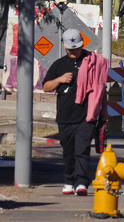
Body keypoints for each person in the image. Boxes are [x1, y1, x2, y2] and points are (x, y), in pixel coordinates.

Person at [42, 29, 106, 196]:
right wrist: (60, 79)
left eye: (77, 48)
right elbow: (46, 87)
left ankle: (82, 183)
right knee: (68, 151)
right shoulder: (58, 65)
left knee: (82, 149)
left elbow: (101, 85)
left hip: (86, 115)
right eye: (71, 49)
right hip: (65, 116)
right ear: (65, 48)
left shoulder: (91, 61)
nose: (74, 52)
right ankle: (69, 181)